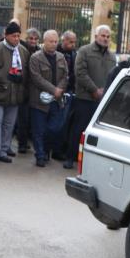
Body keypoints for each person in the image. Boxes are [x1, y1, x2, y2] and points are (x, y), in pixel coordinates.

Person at [64, 25, 116, 169]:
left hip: (102, 101)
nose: (105, 39)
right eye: (103, 36)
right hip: (85, 98)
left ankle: (89, 161)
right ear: (96, 36)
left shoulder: (112, 57)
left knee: (96, 134)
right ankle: (70, 157)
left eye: (108, 36)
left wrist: (104, 92)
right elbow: (80, 72)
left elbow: (112, 77)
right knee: (78, 129)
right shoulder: (84, 51)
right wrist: (93, 90)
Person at [0, 22, 30, 164]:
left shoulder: (23, 51)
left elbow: (26, 74)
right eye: (13, 36)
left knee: (9, 124)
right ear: (6, 35)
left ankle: (3, 151)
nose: (16, 39)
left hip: (15, 94)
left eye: (18, 36)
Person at [29, 30, 69, 167]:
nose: (53, 44)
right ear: (44, 42)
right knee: (38, 129)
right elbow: (36, 78)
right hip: (39, 101)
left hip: (56, 100)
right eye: (51, 41)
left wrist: (60, 89)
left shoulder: (61, 57)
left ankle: (46, 149)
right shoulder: (36, 58)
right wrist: (53, 89)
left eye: (55, 41)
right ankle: (40, 155)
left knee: (54, 128)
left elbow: (65, 76)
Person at [53, 30, 78, 160]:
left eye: (74, 42)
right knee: (56, 122)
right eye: (70, 42)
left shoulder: (74, 54)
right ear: (64, 40)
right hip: (55, 89)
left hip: (69, 92)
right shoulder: (56, 52)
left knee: (64, 122)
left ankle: (59, 148)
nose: (73, 45)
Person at [16, 27, 41, 153]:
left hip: (35, 89)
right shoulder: (21, 50)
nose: (33, 41)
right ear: (27, 39)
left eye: (36, 39)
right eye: (31, 38)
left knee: (31, 119)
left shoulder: (39, 51)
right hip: (23, 88)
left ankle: (26, 142)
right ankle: (22, 143)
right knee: (23, 119)